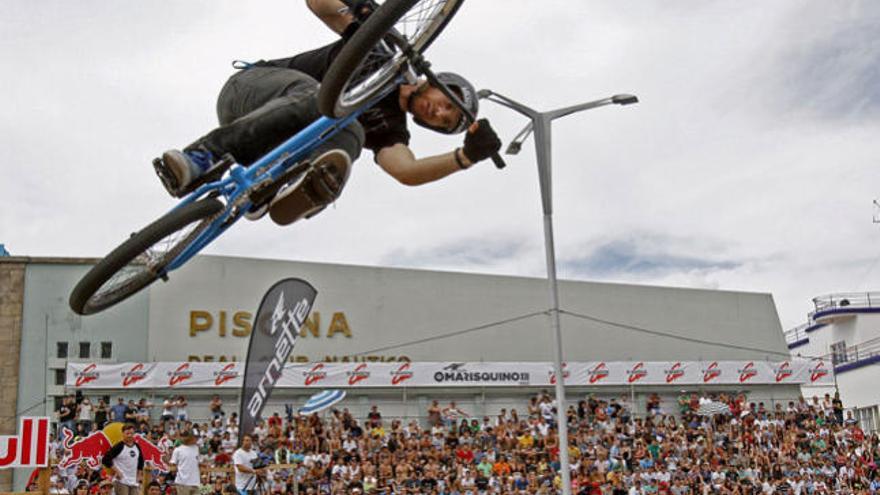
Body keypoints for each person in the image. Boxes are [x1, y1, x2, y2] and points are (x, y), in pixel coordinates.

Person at [152, 0, 501, 226]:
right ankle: (200, 155)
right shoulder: (381, 49)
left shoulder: (391, 130)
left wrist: (464, 158)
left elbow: (406, 171)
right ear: (442, 83)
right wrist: (359, 9)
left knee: (352, 131)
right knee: (322, 100)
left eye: (440, 121)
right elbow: (318, 4)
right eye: (446, 104)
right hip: (249, 92)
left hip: (266, 142)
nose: (437, 112)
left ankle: (277, 186)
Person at [101, 423, 144, 495]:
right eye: (127, 433)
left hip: (133, 480)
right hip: (121, 481)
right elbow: (105, 459)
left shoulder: (137, 446)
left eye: (131, 433)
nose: (130, 435)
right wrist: (117, 471)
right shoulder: (119, 446)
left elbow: (141, 461)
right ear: (123, 434)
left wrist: (139, 475)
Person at [170, 431, 202, 495]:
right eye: (195, 437)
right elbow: (173, 464)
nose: (196, 439)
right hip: (183, 482)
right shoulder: (178, 450)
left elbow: (198, 462)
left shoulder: (196, 448)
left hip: (195, 482)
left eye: (197, 438)